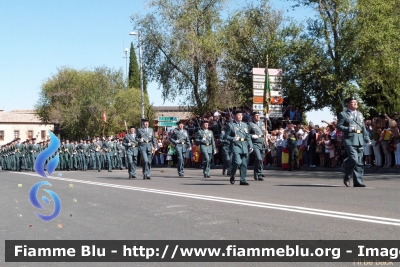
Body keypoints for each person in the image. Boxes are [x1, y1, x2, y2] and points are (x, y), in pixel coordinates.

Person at [337, 96, 370, 187]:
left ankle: (358, 181)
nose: (355, 103)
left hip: (359, 139)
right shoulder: (343, 114)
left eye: (356, 102)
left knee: (359, 162)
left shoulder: (359, 114)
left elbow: (363, 127)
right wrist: (348, 129)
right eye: (352, 102)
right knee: (354, 159)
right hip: (350, 140)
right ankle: (347, 175)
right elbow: (339, 126)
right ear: (348, 104)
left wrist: (367, 138)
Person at [224, 109, 253, 185]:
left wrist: (251, 146)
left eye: (241, 115)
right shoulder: (231, 125)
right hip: (236, 145)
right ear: (234, 116)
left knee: (244, 164)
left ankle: (242, 180)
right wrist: (232, 138)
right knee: (237, 162)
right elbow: (226, 136)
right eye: (238, 115)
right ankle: (232, 175)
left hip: (244, 145)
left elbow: (248, 136)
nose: (240, 116)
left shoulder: (245, 125)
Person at [248, 112, 266, 181]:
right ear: (253, 117)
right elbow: (246, 134)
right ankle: (256, 173)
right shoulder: (250, 124)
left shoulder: (262, 123)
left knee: (261, 159)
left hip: (262, 143)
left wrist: (268, 119)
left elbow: (269, 128)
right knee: (258, 158)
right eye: (256, 116)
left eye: (259, 115)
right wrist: (251, 136)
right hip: (255, 143)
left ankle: (260, 173)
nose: (258, 117)